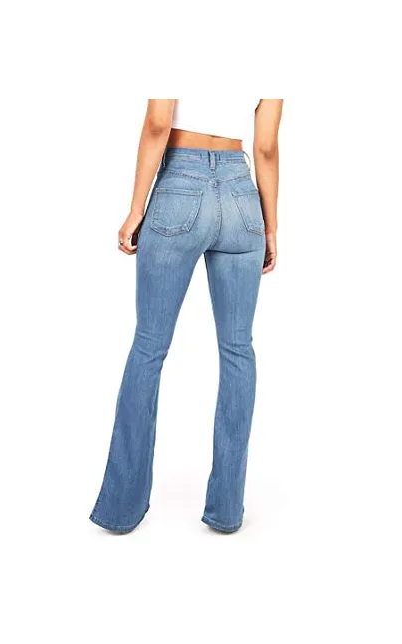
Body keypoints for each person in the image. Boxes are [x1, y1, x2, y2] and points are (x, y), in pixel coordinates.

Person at [90, 96, 283, 533]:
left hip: (179, 183)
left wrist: (136, 209)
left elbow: (159, 123)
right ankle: (227, 510)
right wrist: (270, 227)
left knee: (149, 348)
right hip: (242, 196)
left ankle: (121, 509)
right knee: (238, 351)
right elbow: (266, 147)